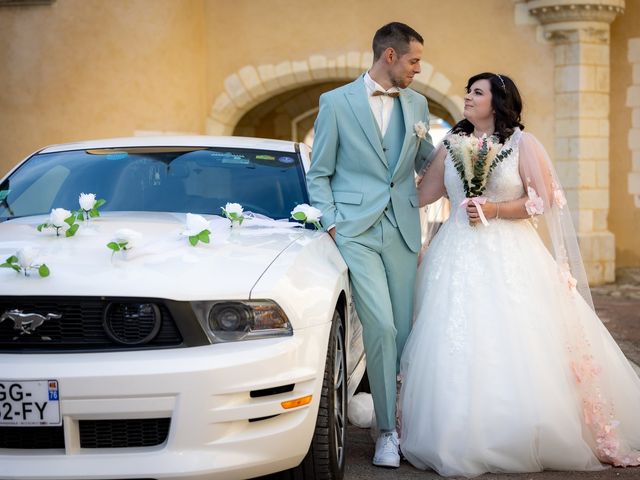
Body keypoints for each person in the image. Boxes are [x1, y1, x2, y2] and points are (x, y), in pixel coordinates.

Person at [399, 72, 640, 477]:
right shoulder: (451, 143)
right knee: (454, 337)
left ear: (498, 101)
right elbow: (423, 195)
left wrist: (493, 209)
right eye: (468, 91)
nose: (468, 97)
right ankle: (457, 432)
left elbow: (542, 201)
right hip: (455, 253)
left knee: (519, 337)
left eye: (477, 92)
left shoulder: (521, 144)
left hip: (511, 251)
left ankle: (525, 428)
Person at [306, 22, 434, 468]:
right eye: (415, 60)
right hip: (354, 230)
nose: (420, 68)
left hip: (401, 226)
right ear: (391, 56)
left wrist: (474, 157)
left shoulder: (417, 103)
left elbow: (427, 159)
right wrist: (332, 224)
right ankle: (387, 433)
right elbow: (318, 172)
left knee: (404, 330)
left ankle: (403, 416)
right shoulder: (335, 103)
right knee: (381, 326)